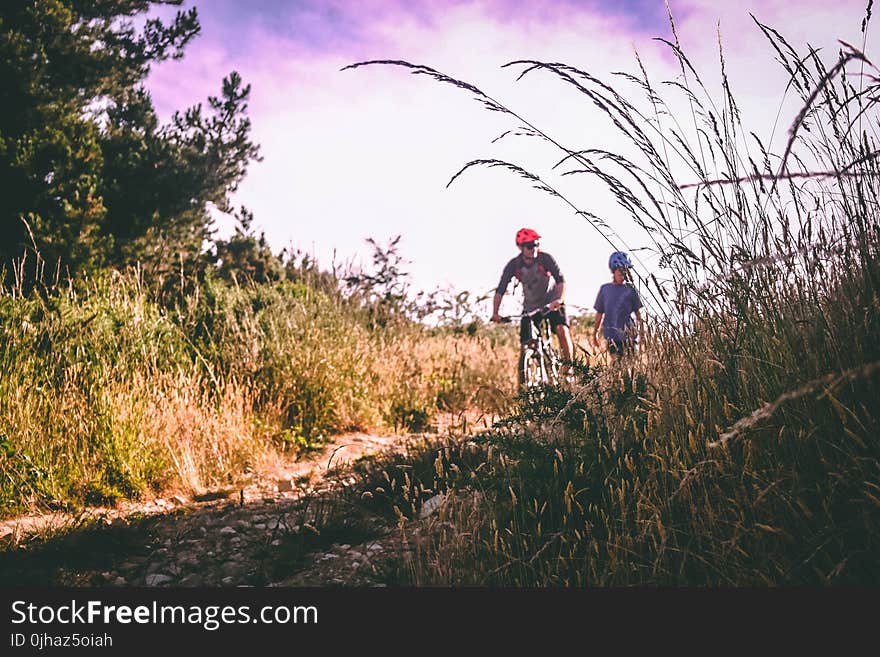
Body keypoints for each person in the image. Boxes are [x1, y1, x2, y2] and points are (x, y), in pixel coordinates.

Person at [491, 228, 574, 381]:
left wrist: (559, 299)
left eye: (536, 244)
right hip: (530, 307)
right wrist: (495, 313)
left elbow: (561, 280)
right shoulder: (514, 265)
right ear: (521, 248)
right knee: (526, 343)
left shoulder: (545, 259)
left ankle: (569, 370)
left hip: (552, 303)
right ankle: (527, 379)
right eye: (529, 246)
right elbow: (500, 289)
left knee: (562, 330)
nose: (534, 248)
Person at [592, 250, 643, 359]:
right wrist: (595, 333)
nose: (623, 274)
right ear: (613, 271)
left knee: (630, 365)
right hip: (612, 336)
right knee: (616, 364)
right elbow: (599, 313)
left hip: (629, 336)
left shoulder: (630, 290)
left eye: (625, 271)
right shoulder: (605, 289)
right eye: (620, 271)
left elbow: (638, 314)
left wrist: (643, 334)